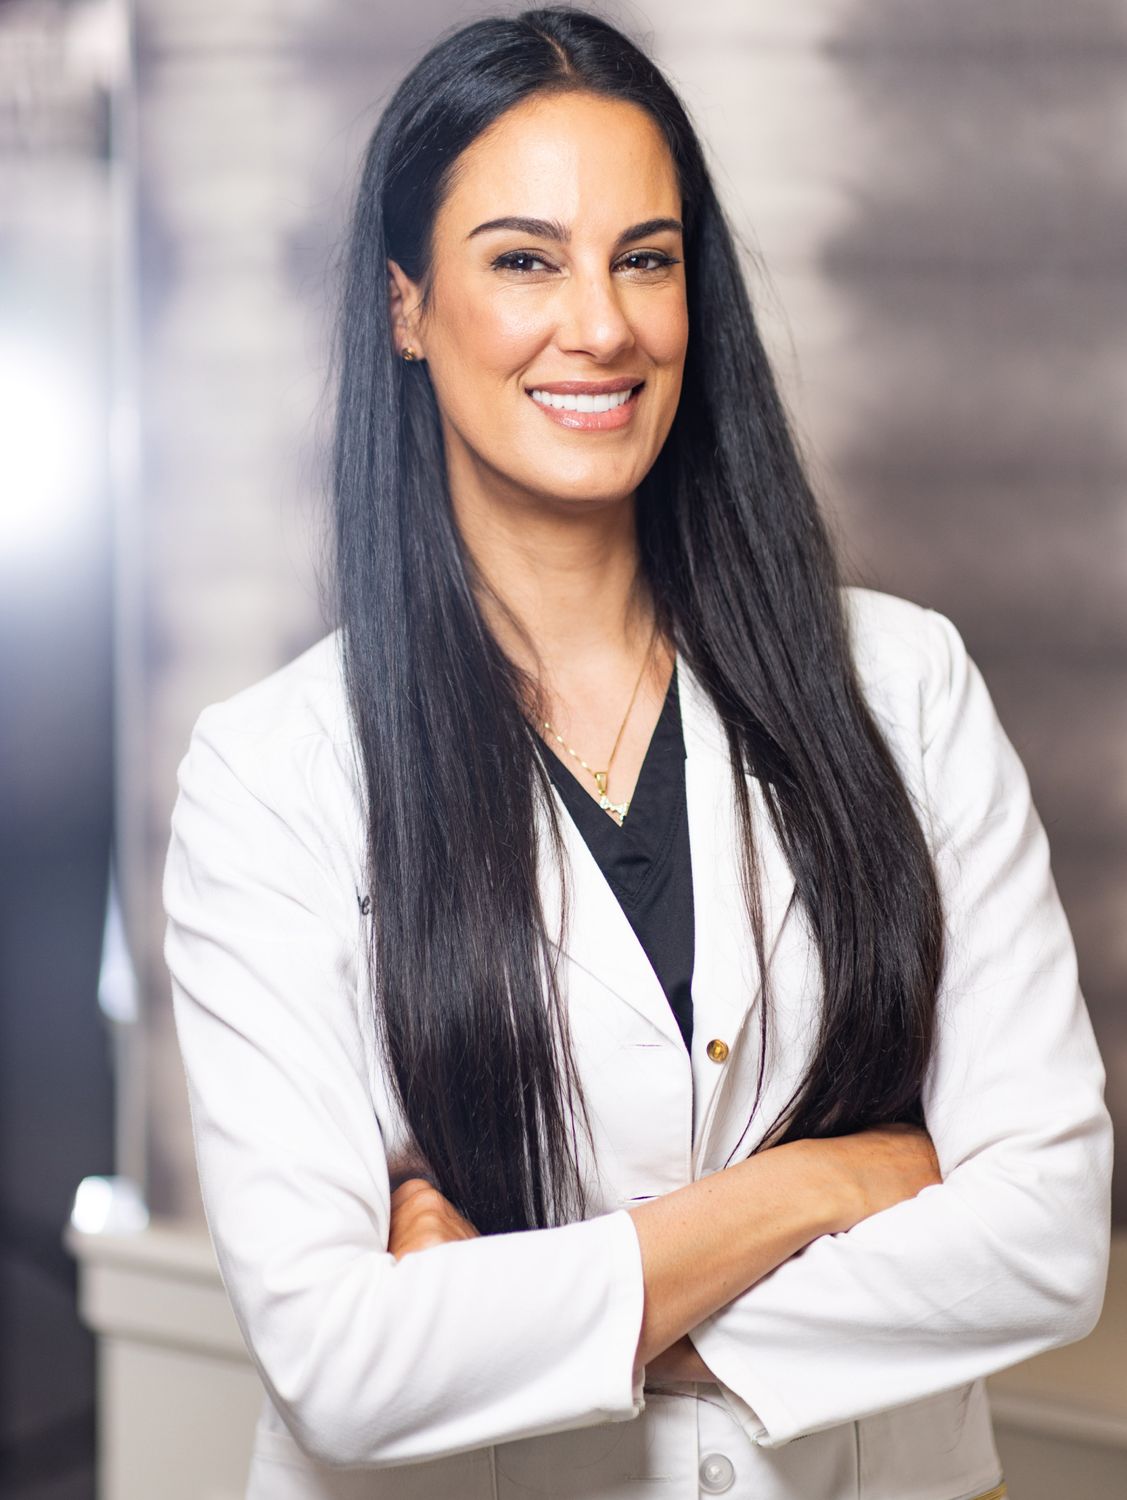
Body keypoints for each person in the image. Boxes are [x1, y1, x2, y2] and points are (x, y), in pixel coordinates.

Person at [162, 8, 1113, 1499]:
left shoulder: (901, 682)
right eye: (524, 259)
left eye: (647, 258)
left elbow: (1051, 1241)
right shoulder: (273, 773)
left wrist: (560, 1314)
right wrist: (832, 1181)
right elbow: (340, 1360)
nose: (600, 325)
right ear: (408, 305)